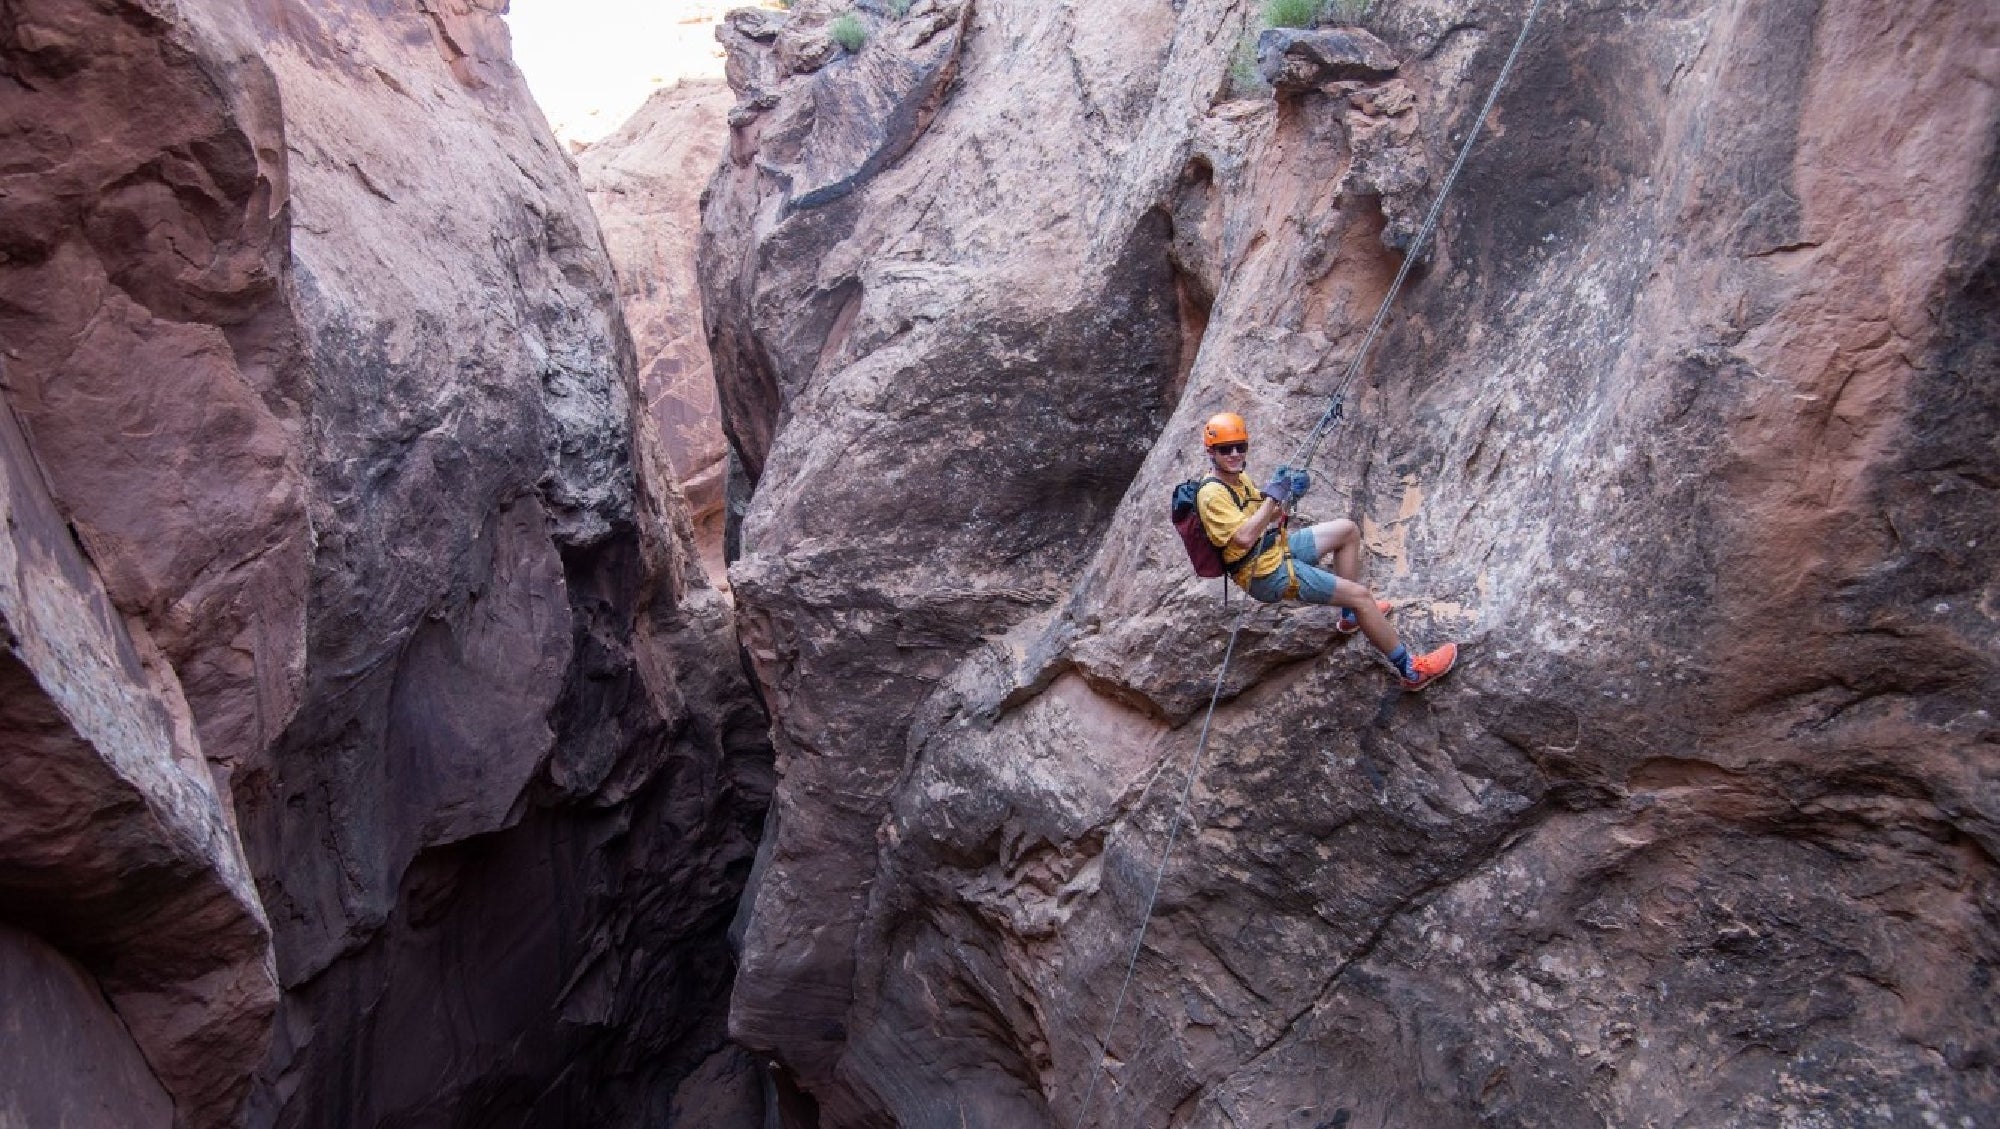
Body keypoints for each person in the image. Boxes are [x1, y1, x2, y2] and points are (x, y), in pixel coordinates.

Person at [1194, 411, 1457, 691]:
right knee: (1362, 597)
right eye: (1225, 449)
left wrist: (1286, 497)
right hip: (1264, 573)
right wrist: (1272, 497)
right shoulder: (1212, 494)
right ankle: (1412, 672)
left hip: (1274, 550)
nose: (1234, 454)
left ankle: (1350, 617)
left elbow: (1265, 517)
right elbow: (1245, 537)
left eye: (1240, 446)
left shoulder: (1238, 476)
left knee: (1347, 530)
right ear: (1211, 452)